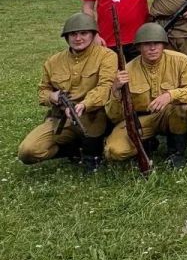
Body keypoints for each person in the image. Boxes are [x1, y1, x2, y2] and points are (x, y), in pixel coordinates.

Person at [18, 13, 117, 172]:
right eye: (73, 34)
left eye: (83, 33)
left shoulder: (107, 56)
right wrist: (52, 96)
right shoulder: (53, 61)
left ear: (93, 35)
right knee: (28, 151)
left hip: (93, 115)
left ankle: (92, 151)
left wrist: (84, 105)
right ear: (66, 37)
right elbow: (43, 90)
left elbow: (105, 87)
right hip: (61, 118)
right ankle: (72, 150)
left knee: (94, 135)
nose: (78, 38)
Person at [103, 23, 187, 168]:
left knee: (182, 108)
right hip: (140, 120)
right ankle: (146, 142)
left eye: (157, 43)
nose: (153, 48)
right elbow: (114, 116)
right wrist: (116, 91)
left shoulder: (181, 61)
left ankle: (176, 153)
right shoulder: (127, 71)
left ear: (164, 45)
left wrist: (170, 95)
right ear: (139, 47)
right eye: (147, 44)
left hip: (169, 114)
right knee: (114, 151)